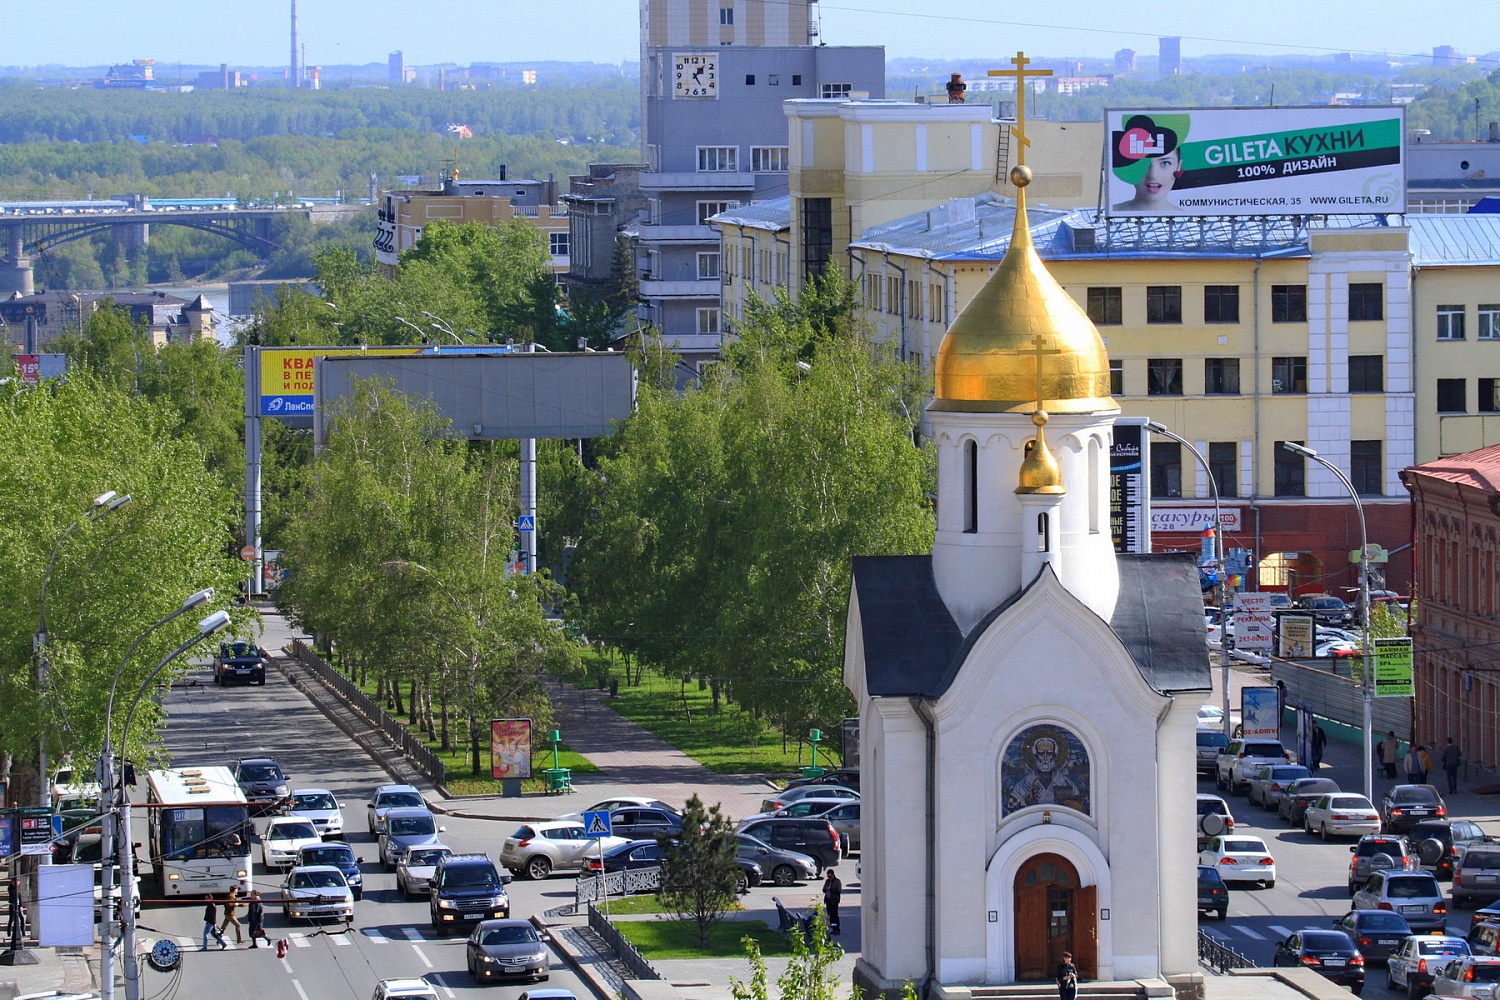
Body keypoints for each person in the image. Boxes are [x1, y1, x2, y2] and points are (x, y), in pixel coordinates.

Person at [1112, 115, 1185, 213]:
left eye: (1165, 163)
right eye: (1142, 163)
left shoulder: (1189, 217)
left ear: (1178, 166)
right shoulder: (1112, 213)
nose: (1153, 175)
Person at [822, 870, 843, 935]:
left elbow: (838, 890)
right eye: (828, 876)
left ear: (833, 875)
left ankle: (837, 929)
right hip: (828, 901)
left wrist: (830, 889)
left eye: (830, 876)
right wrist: (826, 889)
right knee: (830, 916)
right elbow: (824, 889)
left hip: (834, 901)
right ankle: (833, 928)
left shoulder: (837, 882)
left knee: (835, 915)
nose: (829, 878)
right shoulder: (827, 881)